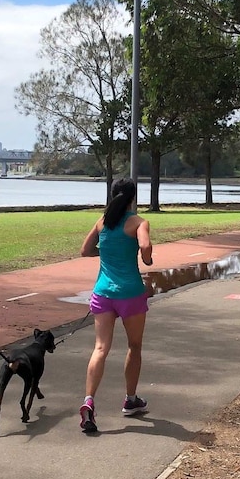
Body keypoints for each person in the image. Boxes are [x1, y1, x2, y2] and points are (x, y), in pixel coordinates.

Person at [78, 178, 153, 433]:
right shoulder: (138, 222)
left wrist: (107, 253)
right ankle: (130, 400)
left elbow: (85, 250)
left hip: (102, 294)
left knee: (100, 348)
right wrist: (147, 258)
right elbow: (145, 245)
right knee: (134, 346)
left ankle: (88, 402)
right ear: (134, 197)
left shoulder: (102, 221)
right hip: (130, 293)